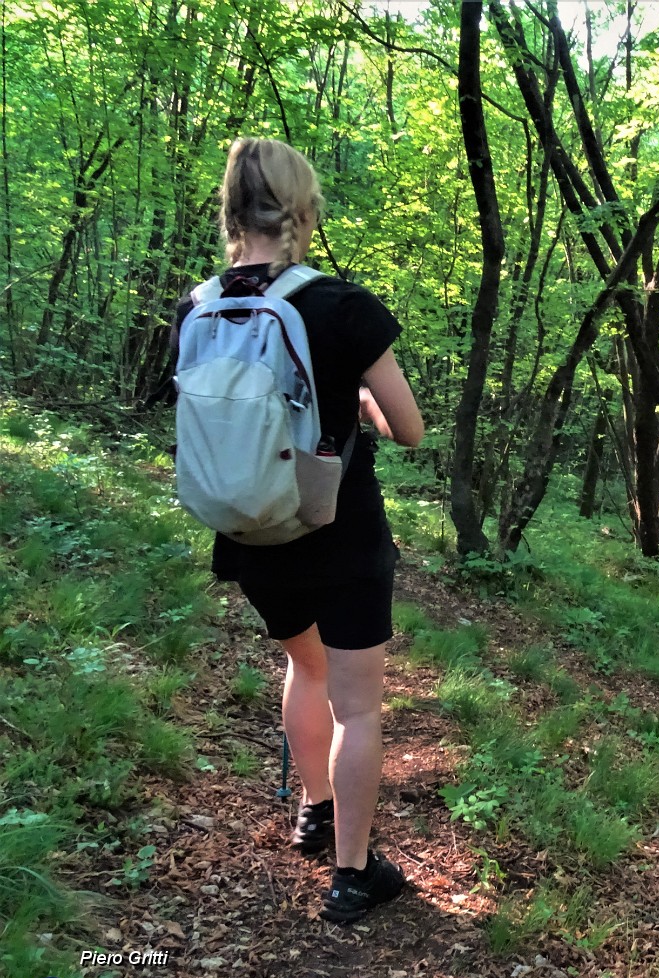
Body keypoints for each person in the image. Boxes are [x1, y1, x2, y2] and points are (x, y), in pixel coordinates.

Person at [172, 138, 424, 923]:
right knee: (360, 704)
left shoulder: (200, 307)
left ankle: (314, 808)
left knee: (303, 667)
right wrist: (364, 407)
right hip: (339, 530)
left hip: (247, 530)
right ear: (303, 209)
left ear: (230, 211)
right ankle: (352, 874)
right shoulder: (340, 305)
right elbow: (410, 428)